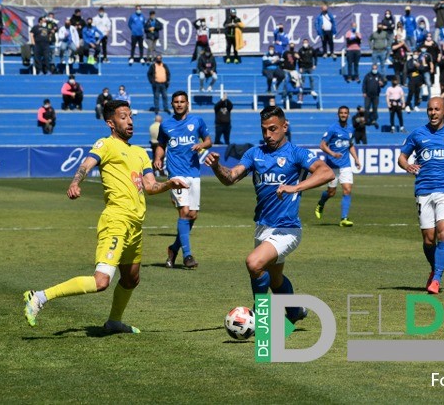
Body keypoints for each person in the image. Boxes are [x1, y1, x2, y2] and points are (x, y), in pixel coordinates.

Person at [23, 100, 188, 332]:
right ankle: (39, 297)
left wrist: (169, 184)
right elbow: (87, 164)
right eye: (123, 117)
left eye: (130, 116)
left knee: (131, 279)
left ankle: (113, 322)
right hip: (116, 221)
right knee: (101, 281)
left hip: (135, 226)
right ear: (111, 123)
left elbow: (150, 187)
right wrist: (75, 182)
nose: (129, 121)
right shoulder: (106, 144)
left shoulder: (140, 153)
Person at [205, 106, 334, 321]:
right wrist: (218, 167)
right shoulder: (255, 154)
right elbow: (231, 177)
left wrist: (296, 187)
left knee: (254, 263)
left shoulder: (296, 153)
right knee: (275, 279)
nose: (268, 135)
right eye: (264, 130)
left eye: (273, 129)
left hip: (287, 228)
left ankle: (260, 317)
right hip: (262, 227)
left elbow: (326, 172)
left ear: (285, 126)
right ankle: (295, 312)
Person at [397, 97, 444, 294]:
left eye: (437, 109)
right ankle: (434, 269)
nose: (433, 113)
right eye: (430, 109)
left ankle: (436, 278)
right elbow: (402, 157)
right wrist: (407, 165)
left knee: (443, 231)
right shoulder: (418, 134)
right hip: (424, 190)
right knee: (429, 240)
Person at [154, 91, 212, 269]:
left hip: (194, 173)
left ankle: (173, 249)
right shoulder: (166, 125)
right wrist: (158, 158)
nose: (179, 104)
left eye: (182, 102)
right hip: (176, 173)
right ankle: (187, 256)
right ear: (172, 104)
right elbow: (161, 145)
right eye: (176, 102)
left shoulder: (197, 121)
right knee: (184, 212)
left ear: (187, 103)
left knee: (192, 216)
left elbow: (208, 140)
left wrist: (202, 145)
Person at [315, 106, 362, 227]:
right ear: (338, 115)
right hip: (332, 165)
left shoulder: (350, 129)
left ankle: (344, 219)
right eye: (341, 113)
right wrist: (332, 154)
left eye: (345, 113)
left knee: (347, 190)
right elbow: (322, 145)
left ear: (348, 115)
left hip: (346, 165)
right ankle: (321, 202)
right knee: (331, 193)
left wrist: (356, 159)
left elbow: (350, 145)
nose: (343, 115)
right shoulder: (332, 129)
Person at [362, 64, 386, 128]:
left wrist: (382, 84)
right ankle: (366, 120)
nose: (374, 70)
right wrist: (364, 92)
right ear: (371, 69)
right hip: (368, 95)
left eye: (375, 68)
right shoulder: (368, 75)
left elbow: (384, 83)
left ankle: (374, 120)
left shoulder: (379, 75)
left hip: (376, 95)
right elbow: (364, 84)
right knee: (367, 108)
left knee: (375, 108)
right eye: (373, 68)